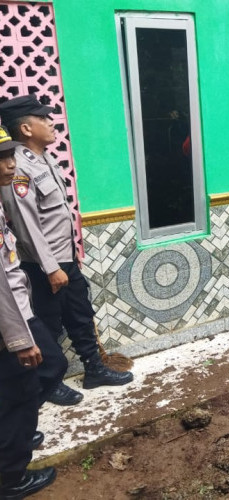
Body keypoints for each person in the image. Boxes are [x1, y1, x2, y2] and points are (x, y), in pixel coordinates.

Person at [0, 95, 133, 407]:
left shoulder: (44, 159)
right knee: (48, 323)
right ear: (25, 127)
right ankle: (52, 383)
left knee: (80, 314)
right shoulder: (17, 167)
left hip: (64, 259)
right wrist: (50, 267)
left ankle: (95, 369)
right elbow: (26, 224)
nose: (51, 122)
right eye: (43, 118)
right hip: (44, 265)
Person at [0, 125, 65, 499]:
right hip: (13, 322)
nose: (11, 165)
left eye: (11, 156)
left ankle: (17, 433)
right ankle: (12, 477)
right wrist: (19, 339)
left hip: (17, 316)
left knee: (21, 388)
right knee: (27, 384)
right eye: (2, 160)